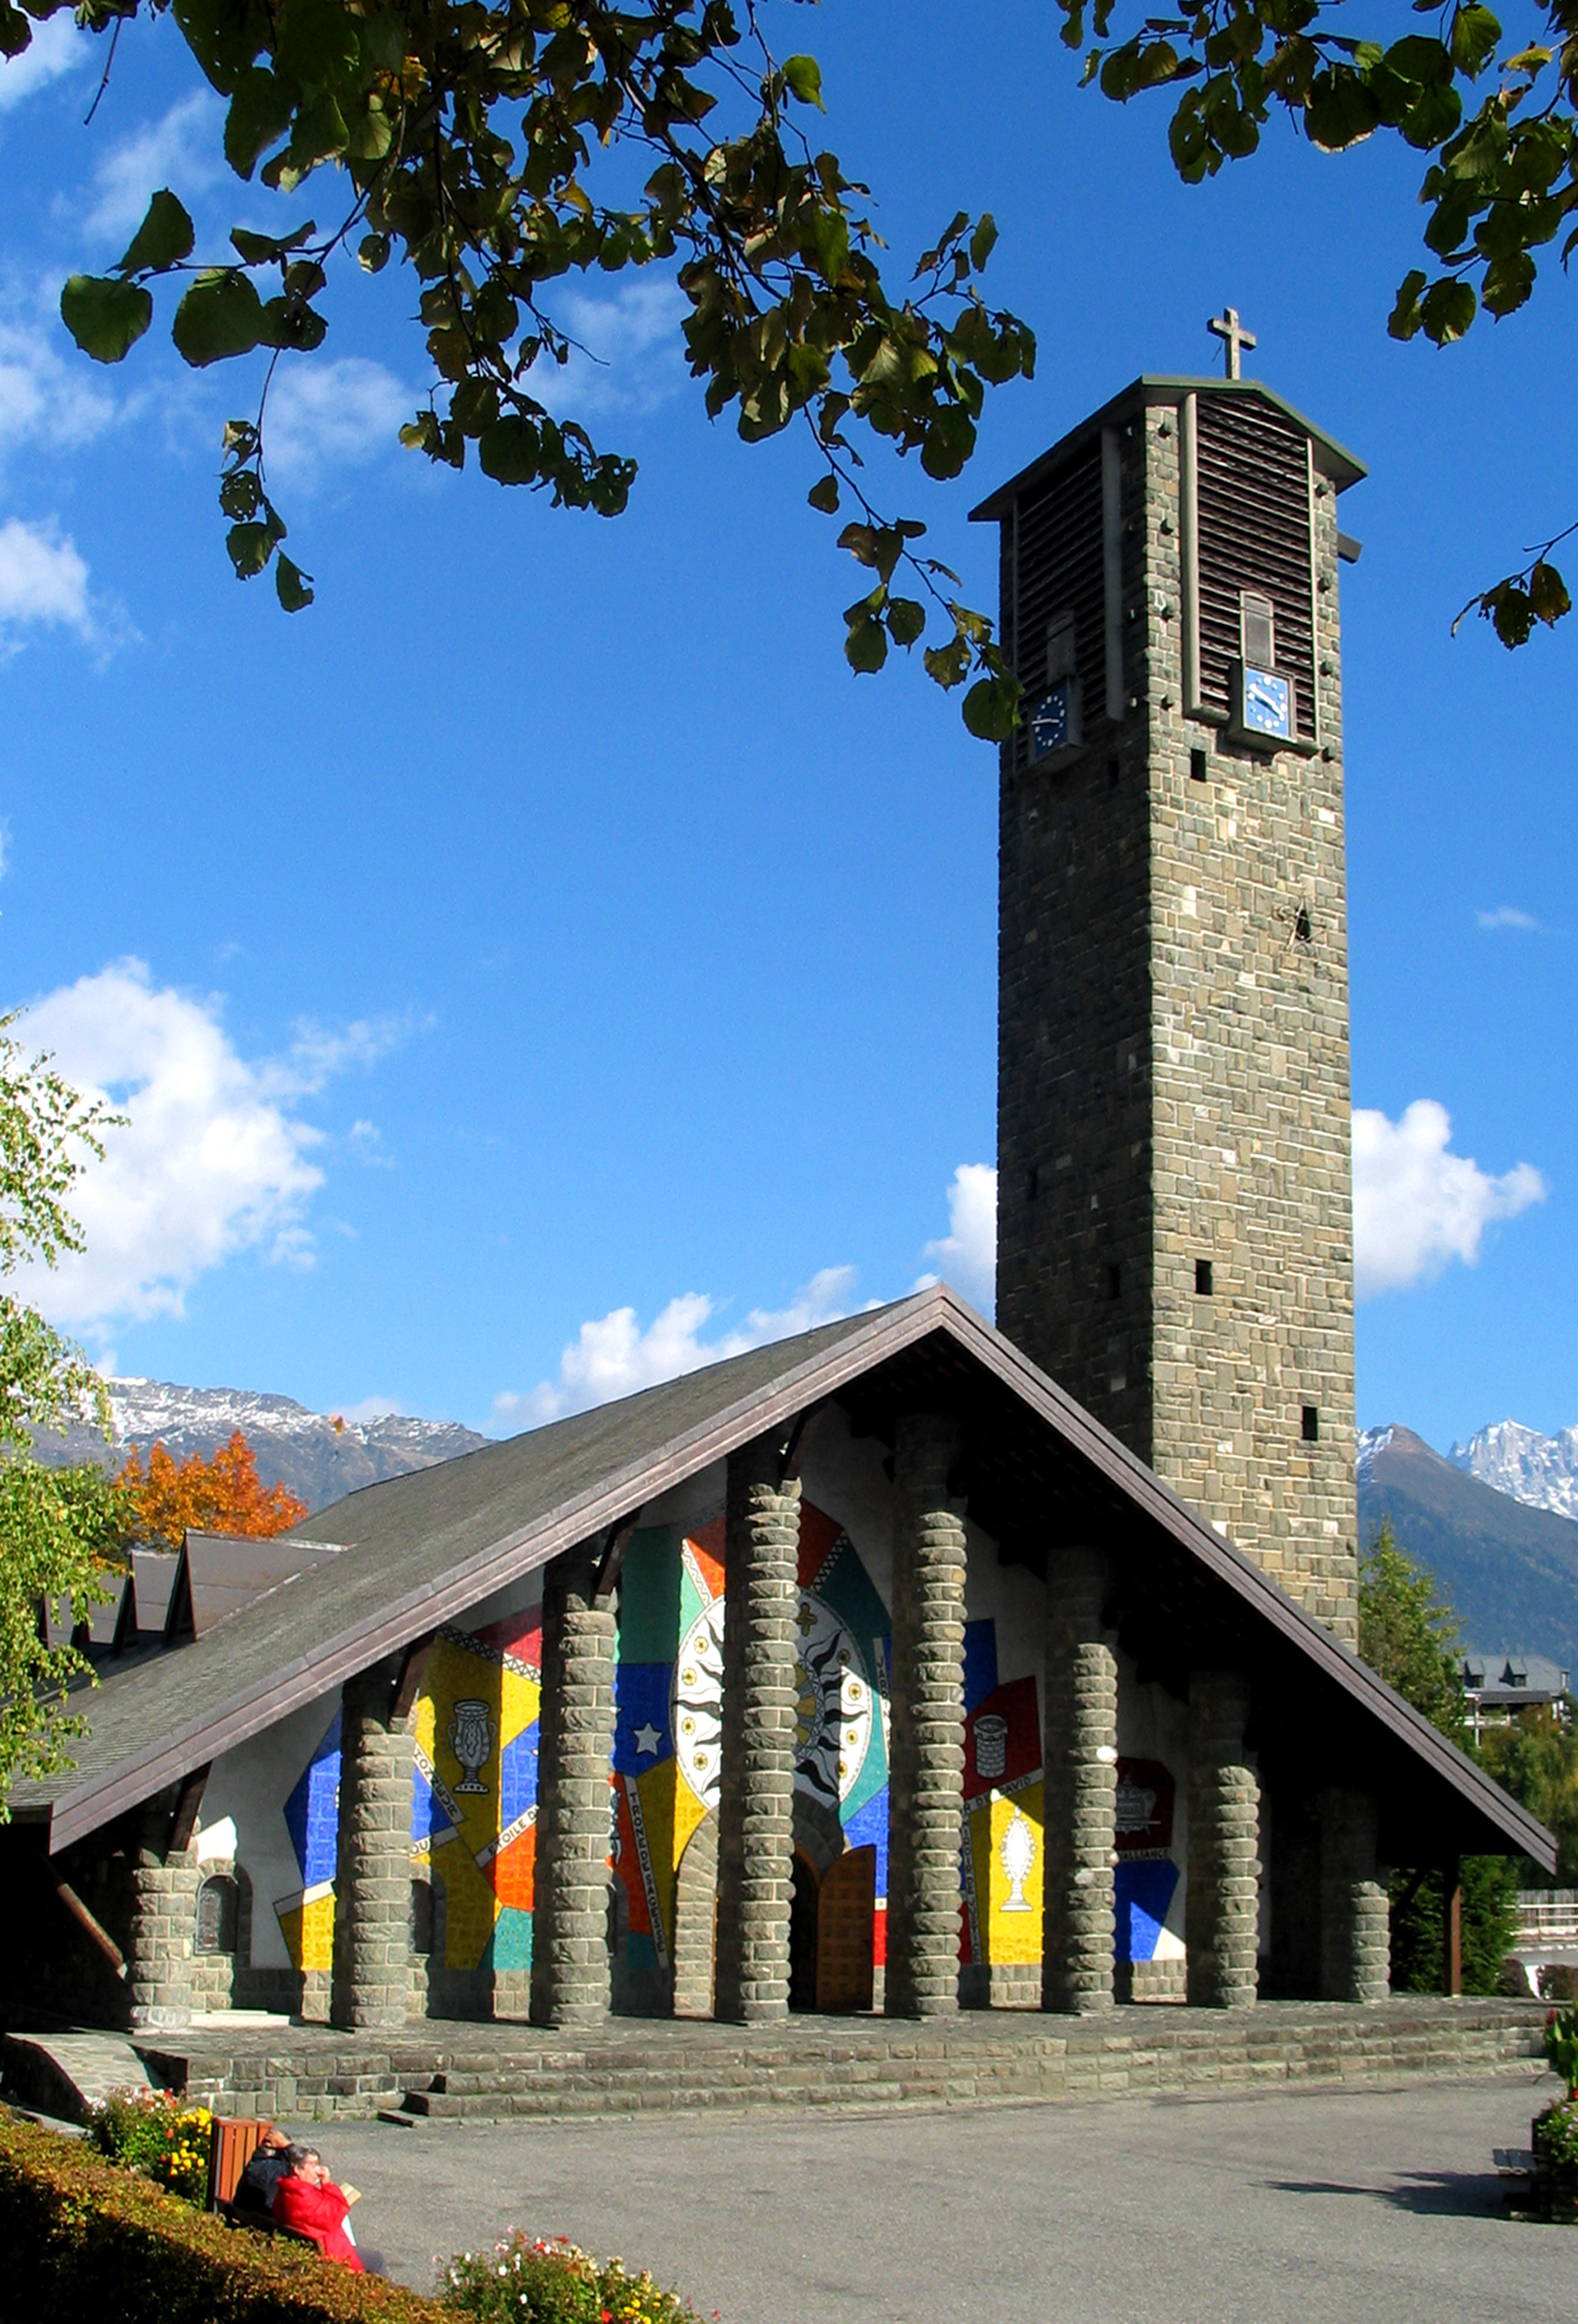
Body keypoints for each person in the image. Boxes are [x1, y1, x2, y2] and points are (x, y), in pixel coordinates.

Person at [269, 2143, 366, 2271]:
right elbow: (336, 2213)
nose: (318, 2171)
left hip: (318, 2248)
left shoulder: (288, 2190)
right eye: (313, 2165)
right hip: (332, 2255)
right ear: (297, 2169)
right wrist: (327, 2184)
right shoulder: (303, 2197)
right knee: (377, 2260)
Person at [233, 2125, 291, 2215]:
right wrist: (287, 2145)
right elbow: (302, 2160)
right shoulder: (276, 2168)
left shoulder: (255, 2164)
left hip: (248, 2217)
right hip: (266, 2217)